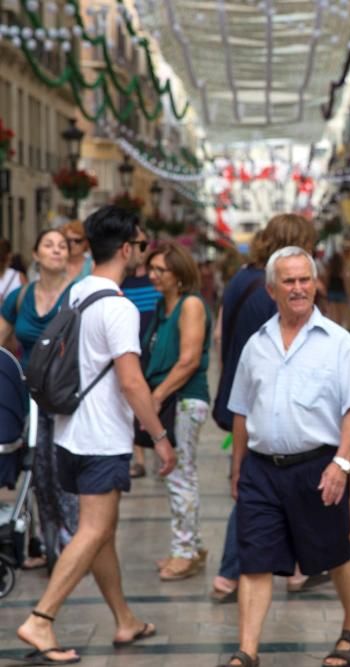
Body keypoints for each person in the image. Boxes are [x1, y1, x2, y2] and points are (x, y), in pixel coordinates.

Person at [15, 205, 176, 665]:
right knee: (94, 530)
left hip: (67, 432)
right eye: (141, 245)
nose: (141, 253)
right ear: (126, 249)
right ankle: (41, 619)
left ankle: (124, 619)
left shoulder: (78, 291)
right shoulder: (119, 307)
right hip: (101, 437)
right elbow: (131, 382)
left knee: (100, 531)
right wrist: (160, 436)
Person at [223, 246, 350, 667]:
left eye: (304, 279)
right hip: (261, 469)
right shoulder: (257, 345)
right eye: (288, 281)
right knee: (253, 559)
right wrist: (237, 468)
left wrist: (342, 463)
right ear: (272, 289)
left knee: (335, 552)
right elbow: (241, 411)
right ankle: (247, 651)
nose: (297, 288)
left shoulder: (339, 343)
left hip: (318, 466)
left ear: (315, 284)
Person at [211, 213, 319, 602]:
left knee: (266, 485)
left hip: (239, 392)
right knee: (255, 487)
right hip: (264, 401)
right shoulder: (271, 293)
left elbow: (222, 333)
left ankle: (294, 568)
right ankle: (229, 573)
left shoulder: (242, 278)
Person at [0, 229, 76, 565]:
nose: (57, 250)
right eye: (49, 245)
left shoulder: (77, 294)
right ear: (35, 254)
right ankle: (47, 546)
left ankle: (72, 543)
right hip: (31, 397)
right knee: (37, 473)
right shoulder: (20, 297)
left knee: (63, 471)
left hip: (65, 397)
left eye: (63, 246)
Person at [143, 241, 212, 581]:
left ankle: (184, 550)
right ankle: (191, 545)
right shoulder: (161, 307)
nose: (152, 275)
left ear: (179, 273)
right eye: (151, 268)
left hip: (183, 399)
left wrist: (156, 396)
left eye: (160, 270)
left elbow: (189, 360)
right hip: (167, 398)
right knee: (175, 472)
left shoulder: (191, 305)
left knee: (180, 473)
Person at [121, 228, 159, 479]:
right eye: (139, 245)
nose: (142, 251)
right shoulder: (121, 280)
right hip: (130, 349)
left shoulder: (157, 278)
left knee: (156, 400)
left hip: (154, 351)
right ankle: (140, 458)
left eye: (146, 246)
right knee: (133, 401)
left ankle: (158, 451)